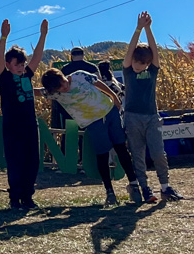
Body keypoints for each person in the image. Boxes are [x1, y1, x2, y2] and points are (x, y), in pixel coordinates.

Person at [41, 62, 140, 206]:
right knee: (102, 155)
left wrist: (113, 96)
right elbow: (36, 91)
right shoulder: (54, 93)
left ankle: (133, 184)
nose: (64, 88)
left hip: (109, 112)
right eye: (60, 88)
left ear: (63, 76)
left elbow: (98, 83)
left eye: (63, 83)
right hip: (93, 123)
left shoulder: (79, 75)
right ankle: (109, 191)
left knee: (121, 148)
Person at [121, 11, 183, 203]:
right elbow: (130, 50)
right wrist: (138, 28)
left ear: (147, 63)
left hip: (151, 116)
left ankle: (165, 187)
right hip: (132, 117)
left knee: (158, 153)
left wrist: (149, 28)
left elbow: (154, 51)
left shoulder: (152, 71)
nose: (138, 66)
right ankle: (145, 189)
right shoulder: (128, 70)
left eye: (142, 63)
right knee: (138, 155)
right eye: (136, 62)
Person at [0, 18, 49, 209]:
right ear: (9, 64)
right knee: (15, 160)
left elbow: (37, 57)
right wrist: (3, 37)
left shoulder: (27, 75)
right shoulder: (4, 78)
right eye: (17, 64)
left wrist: (43, 35)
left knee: (32, 160)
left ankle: (27, 196)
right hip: (12, 125)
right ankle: (15, 197)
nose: (21, 67)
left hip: (29, 124)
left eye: (22, 64)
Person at [51, 47, 100, 132]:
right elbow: (99, 84)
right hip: (90, 106)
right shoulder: (92, 67)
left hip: (71, 108)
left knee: (70, 134)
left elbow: (59, 87)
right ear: (83, 55)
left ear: (72, 56)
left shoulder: (65, 69)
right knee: (88, 135)